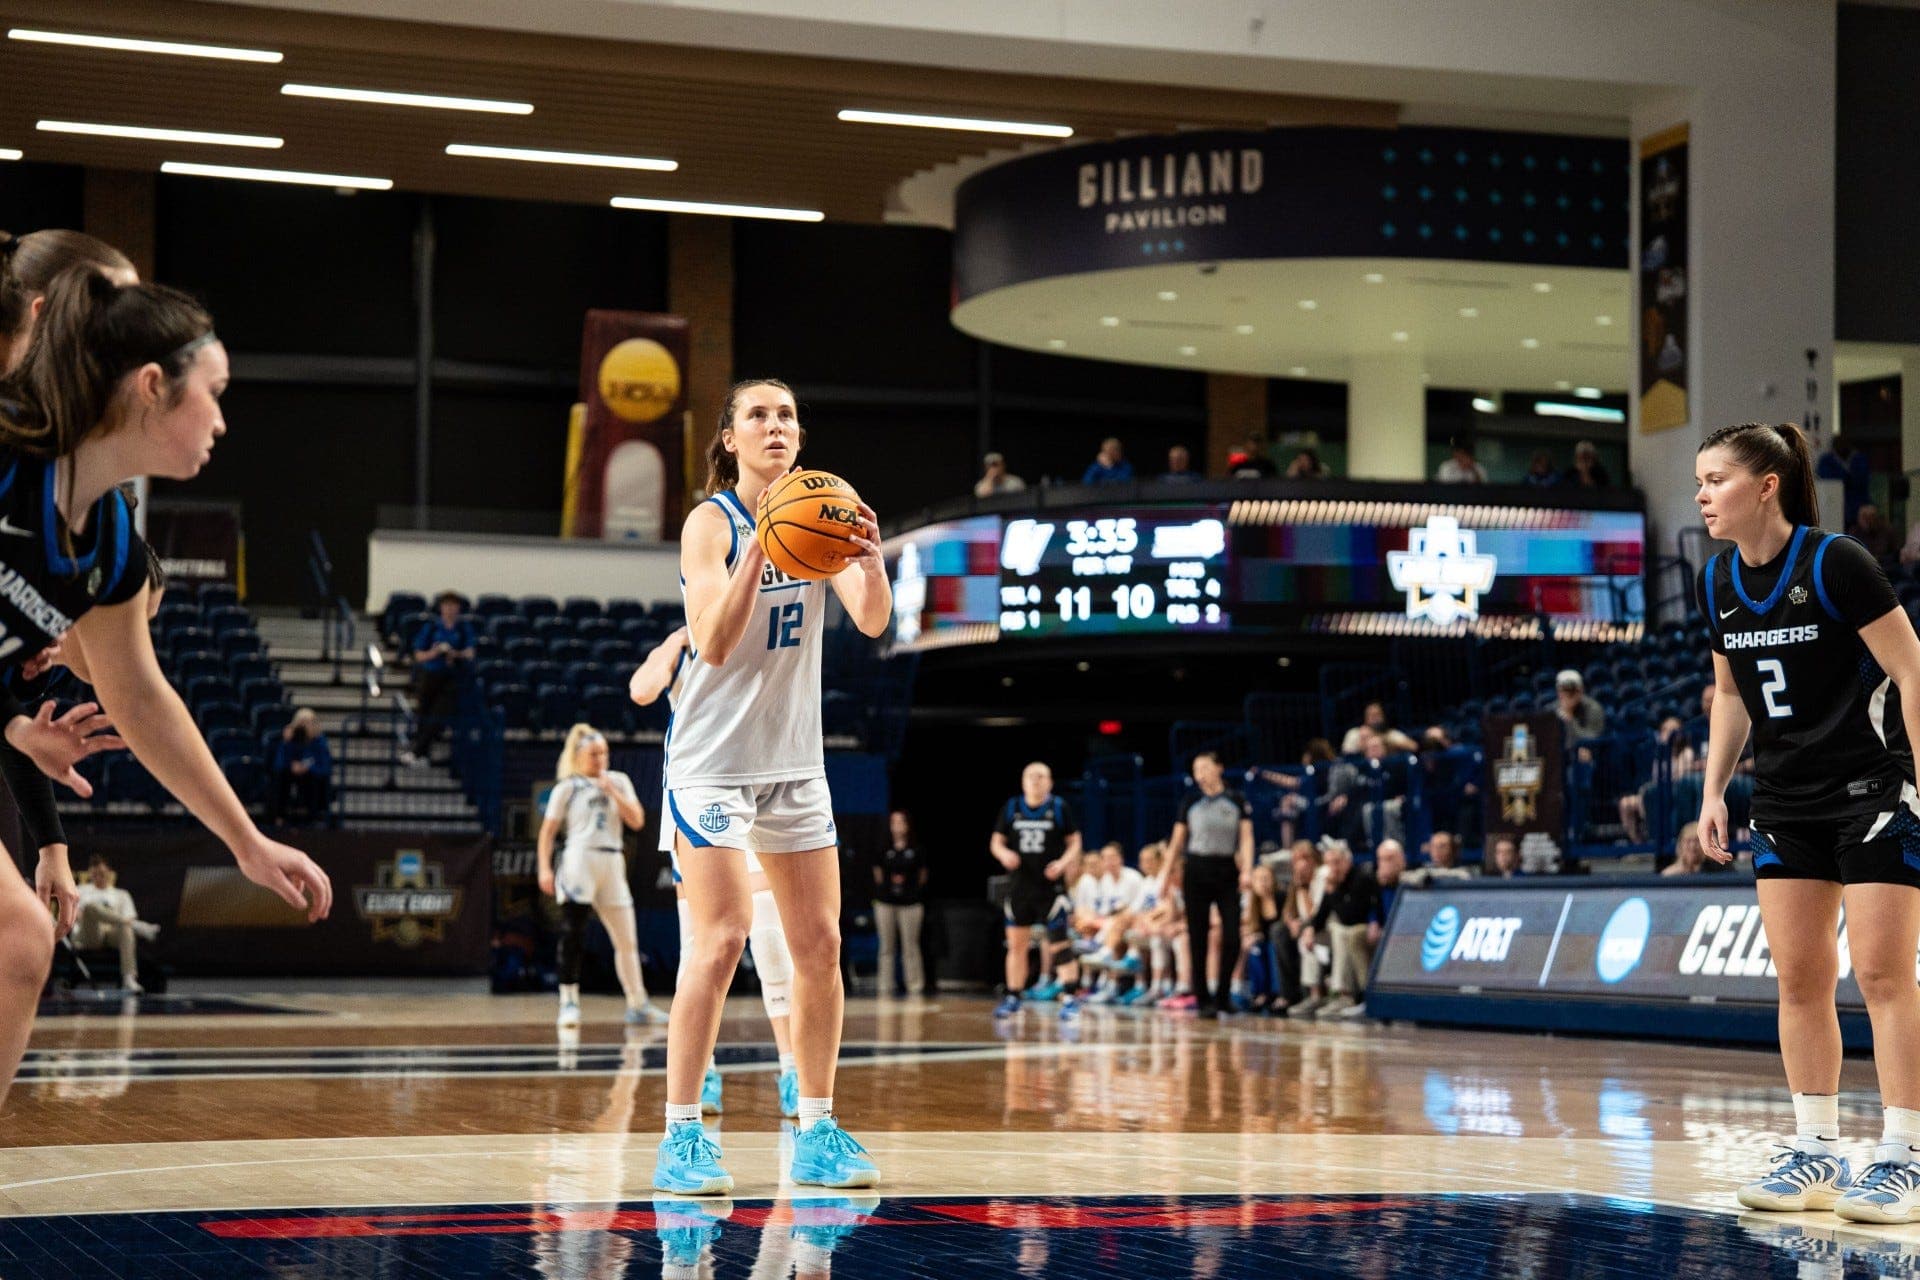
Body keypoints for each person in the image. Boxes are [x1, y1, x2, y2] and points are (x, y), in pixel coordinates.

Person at [0, 264, 331, 1105]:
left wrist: (246, 842)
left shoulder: (110, 540)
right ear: (152, 386)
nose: (222, 419)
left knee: (19, 944)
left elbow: (142, 700)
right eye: (213, 393)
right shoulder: (9, 454)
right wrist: (13, 728)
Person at [653, 378, 891, 1196]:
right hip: (712, 764)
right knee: (719, 940)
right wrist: (761, 549)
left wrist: (871, 562)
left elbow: (872, 620)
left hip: (792, 763)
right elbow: (713, 643)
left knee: (819, 945)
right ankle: (682, 1135)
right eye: (757, 415)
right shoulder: (709, 524)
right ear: (730, 438)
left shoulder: (824, 510)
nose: (775, 425)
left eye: (787, 414)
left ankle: (817, 1127)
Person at [1692, 421, 1920, 1221]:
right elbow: (1729, 693)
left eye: (1716, 480)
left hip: (1871, 789)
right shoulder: (1716, 580)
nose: (1701, 496)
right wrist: (1714, 791)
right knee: (1800, 980)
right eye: (1698, 482)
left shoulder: (1837, 562)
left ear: (1767, 487)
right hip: (1785, 799)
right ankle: (1816, 1150)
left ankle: (1906, 1155)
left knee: (1884, 977)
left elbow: (1912, 669)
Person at [0, 230, 141, 960]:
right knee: (20, 940)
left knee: (22, 943)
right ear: (45, 315)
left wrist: (52, 843)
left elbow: (140, 692)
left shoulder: (99, 519)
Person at [630, 625, 800, 1120]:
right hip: (700, 800)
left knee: (771, 943)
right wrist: (675, 641)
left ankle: (792, 1070)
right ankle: (703, 1072)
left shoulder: (764, 631)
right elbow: (641, 690)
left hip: (758, 794)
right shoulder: (685, 649)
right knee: (699, 951)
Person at [538, 722, 659, 1030]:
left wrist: (612, 791)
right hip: (580, 859)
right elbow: (548, 831)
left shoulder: (619, 780)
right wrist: (544, 868)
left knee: (627, 939)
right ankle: (568, 1002)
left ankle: (638, 1003)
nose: (600, 758)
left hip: (612, 860)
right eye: (594, 754)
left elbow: (637, 821)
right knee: (573, 932)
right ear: (578, 756)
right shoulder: (567, 787)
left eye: (604, 752)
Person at [990, 760, 1082, 1019]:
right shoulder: (1012, 808)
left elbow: (1075, 842)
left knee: (1059, 944)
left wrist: (1063, 863)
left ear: (1050, 782)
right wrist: (1004, 854)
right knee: (1016, 945)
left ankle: (1070, 997)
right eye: (1031, 776)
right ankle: (1013, 996)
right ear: (1023, 781)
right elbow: (996, 842)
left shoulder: (1059, 808)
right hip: (1020, 887)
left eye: (1041, 776)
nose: (1035, 780)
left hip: (1050, 888)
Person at [1166, 750, 1254, 1018]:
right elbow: (1177, 841)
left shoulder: (1236, 800)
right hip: (1196, 869)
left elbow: (1247, 838)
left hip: (1226, 868)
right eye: (1196, 769)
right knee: (1198, 936)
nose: (1199, 774)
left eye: (1204, 767)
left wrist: (1247, 870)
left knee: (1232, 936)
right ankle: (1202, 997)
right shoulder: (1190, 801)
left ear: (1219, 768)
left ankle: (1224, 994)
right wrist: (1166, 875)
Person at [1299, 840, 1381, 1018]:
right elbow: (1321, 916)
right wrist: (1310, 929)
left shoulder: (1361, 878)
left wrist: (1332, 892)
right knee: (1310, 936)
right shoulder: (1333, 882)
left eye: (1336, 862)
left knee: (1340, 932)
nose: (1333, 867)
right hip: (1345, 930)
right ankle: (1315, 994)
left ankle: (1343, 994)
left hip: (1361, 929)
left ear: (1347, 861)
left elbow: (1350, 917)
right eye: (1329, 863)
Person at [402, 591, 476, 766]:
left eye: (453, 605)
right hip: (430, 676)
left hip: (452, 678)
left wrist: (454, 653)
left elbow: (470, 652)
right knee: (424, 714)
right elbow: (419, 655)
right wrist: (435, 652)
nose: (450, 609)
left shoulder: (463, 629)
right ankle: (422, 753)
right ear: (441, 608)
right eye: (447, 605)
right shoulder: (432, 627)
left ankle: (417, 751)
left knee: (438, 715)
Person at [72, 855, 159, 993]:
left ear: (109, 873)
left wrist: (119, 922)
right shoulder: (81, 890)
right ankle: (139, 926)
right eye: (95, 874)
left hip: (112, 933)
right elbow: (75, 915)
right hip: (89, 934)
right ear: (90, 873)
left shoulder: (122, 894)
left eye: (102, 873)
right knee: (90, 907)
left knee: (126, 929)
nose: (98, 877)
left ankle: (129, 979)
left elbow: (128, 918)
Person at [872, 809, 927, 997]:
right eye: (893, 822)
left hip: (910, 903)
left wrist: (911, 890)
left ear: (907, 825)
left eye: (901, 822)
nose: (897, 826)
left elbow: (922, 875)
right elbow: (878, 874)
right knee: (886, 946)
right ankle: (885, 985)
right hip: (886, 902)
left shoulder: (916, 849)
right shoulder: (883, 848)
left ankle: (915, 985)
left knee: (910, 946)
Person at [268, 707, 333, 826]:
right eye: (301, 723)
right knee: (280, 778)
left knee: (314, 780)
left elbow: (325, 768)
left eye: (308, 723)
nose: (304, 727)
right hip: (292, 776)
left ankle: (312, 818)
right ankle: (279, 817)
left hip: (312, 779)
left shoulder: (320, 742)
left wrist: (308, 768)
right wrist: (286, 743)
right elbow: (278, 765)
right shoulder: (290, 742)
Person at [1815, 433, 1871, 532]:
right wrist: (1846, 477)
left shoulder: (1859, 459)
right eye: (1838, 445)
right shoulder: (1827, 460)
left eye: (1844, 444)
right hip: (1833, 505)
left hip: (1857, 506)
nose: (1841, 447)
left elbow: (1862, 479)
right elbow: (1826, 479)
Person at [1554, 670, 1607, 743]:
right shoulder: (1552, 709)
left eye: (1572, 691)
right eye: (1565, 691)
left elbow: (1593, 739)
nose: (1568, 695)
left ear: (1581, 690)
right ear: (1558, 692)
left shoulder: (1594, 708)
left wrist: (1570, 720)